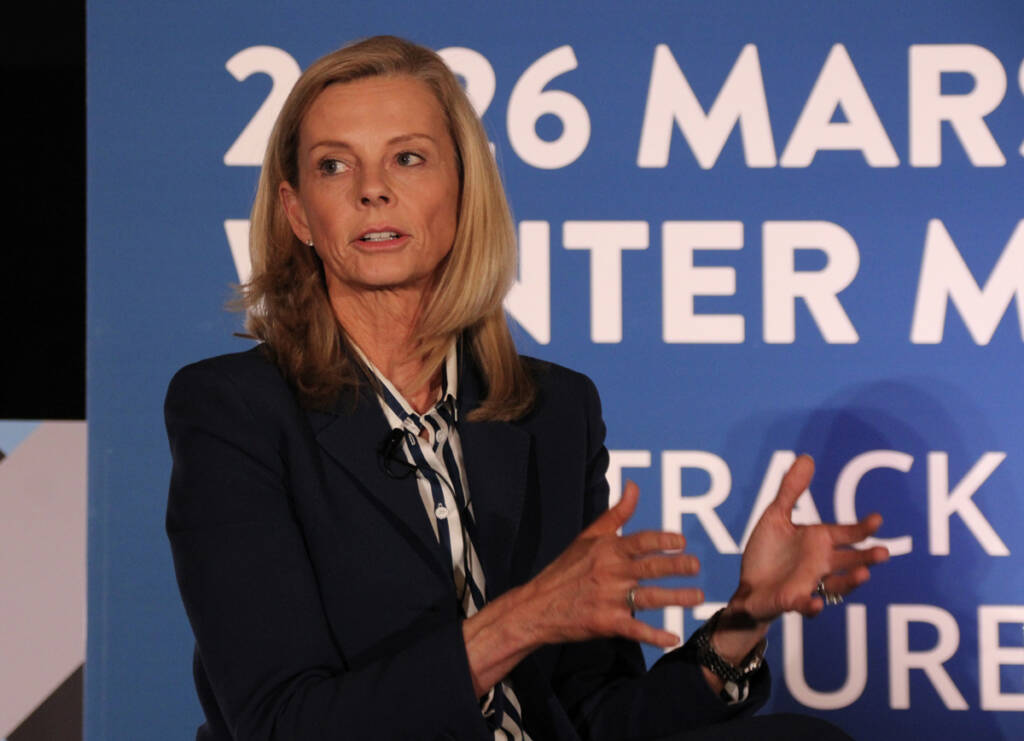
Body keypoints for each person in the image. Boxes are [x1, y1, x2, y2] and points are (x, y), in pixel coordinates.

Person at [165, 35, 889, 741]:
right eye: (334, 166)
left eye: (408, 158)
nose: (372, 189)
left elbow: (595, 714)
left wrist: (744, 618)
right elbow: (280, 723)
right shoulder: (235, 410)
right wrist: (527, 617)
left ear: (462, 190)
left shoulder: (553, 410)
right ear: (298, 215)